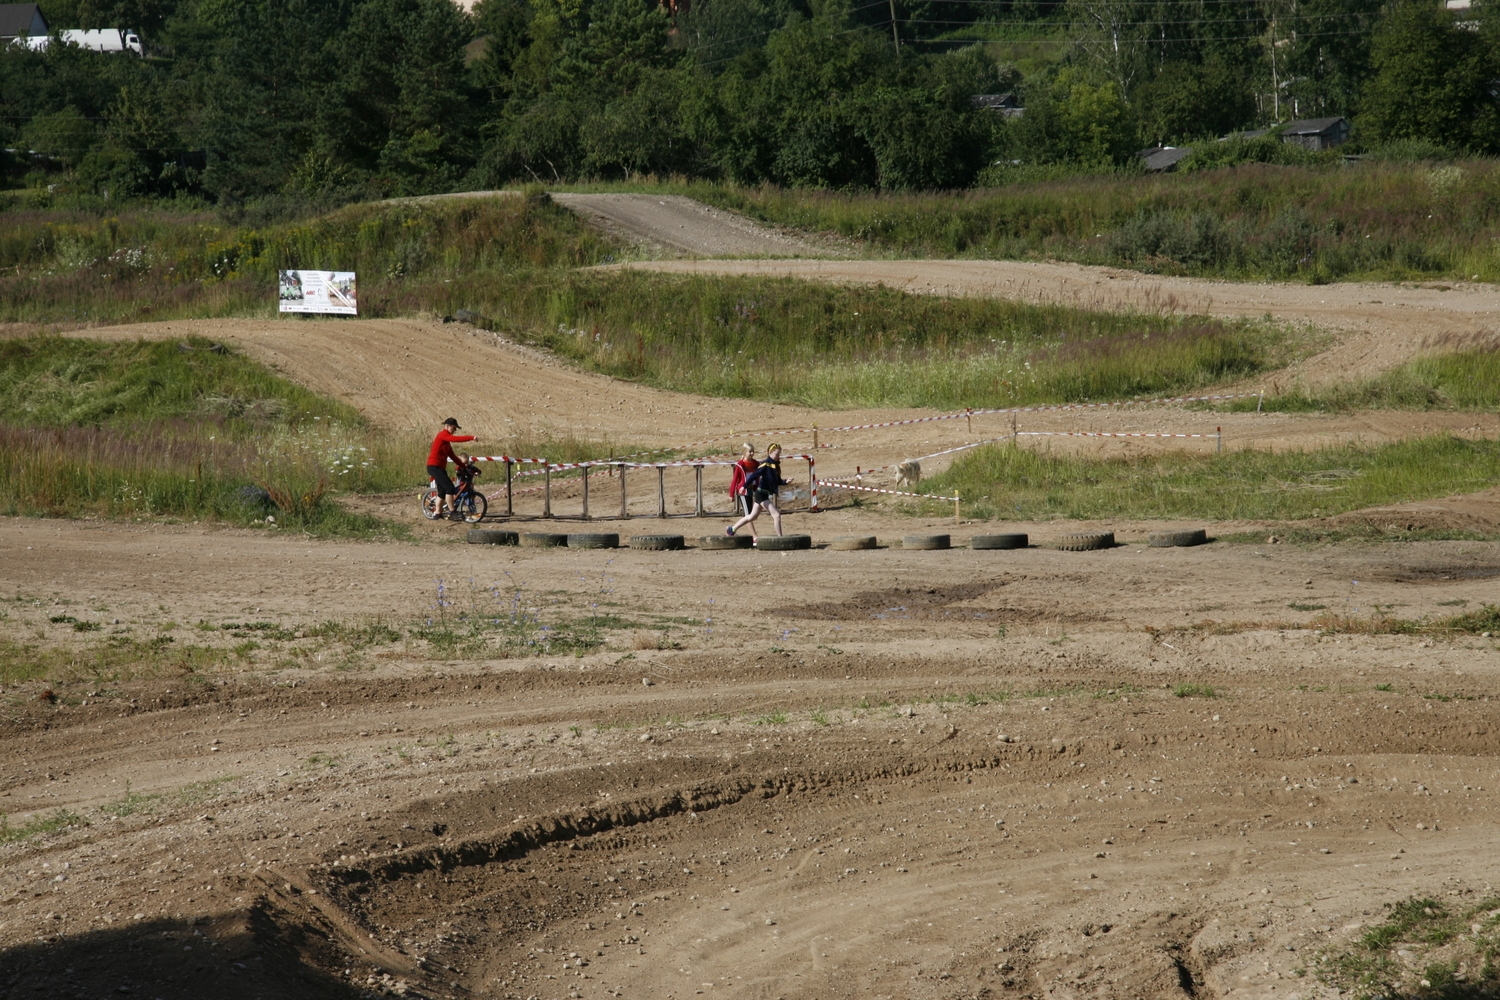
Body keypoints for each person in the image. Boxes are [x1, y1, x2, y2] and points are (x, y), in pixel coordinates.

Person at [727, 443, 789, 538]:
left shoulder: (775, 465)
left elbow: (777, 481)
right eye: (777, 454)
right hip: (761, 494)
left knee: (752, 517)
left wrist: (785, 482)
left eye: (779, 454)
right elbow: (754, 475)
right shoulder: (765, 464)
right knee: (776, 515)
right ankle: (780, 538)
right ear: (770, 453)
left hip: (763, 494)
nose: (778, 456)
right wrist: (744, 486)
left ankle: (732, 529)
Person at [427, 417, 478, 519]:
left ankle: (437, 513)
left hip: (439, 468)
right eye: (454, 428)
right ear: (447, 426)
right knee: (450, 487)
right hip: (433, 466)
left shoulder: (446, 444)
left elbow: (453, 457)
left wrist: (464, 467)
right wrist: (471, 437)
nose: (455, 431)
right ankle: (452, 511)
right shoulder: (443, 435)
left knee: (442, 491)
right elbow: (456, 439)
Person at [728, 443, 759, 526]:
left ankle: (734, 528)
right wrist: (731, 494)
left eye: (753, 451)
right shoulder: (740, 465)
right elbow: (734, 480)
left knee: (750, 515)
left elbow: (757, 478)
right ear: (744, 453)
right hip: (742, 492)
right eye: (750, 452)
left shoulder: (756, 463)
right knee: (747, 515)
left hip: (751, 490)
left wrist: (757, 489)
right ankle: (752, 536)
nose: (752, 453)